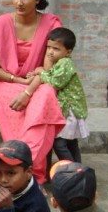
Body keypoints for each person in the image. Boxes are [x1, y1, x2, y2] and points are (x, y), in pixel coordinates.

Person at [0, 0, 65, 185]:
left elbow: (49, 69)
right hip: (8, 82)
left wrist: (29, 91)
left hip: (39, 82)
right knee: (17, 108)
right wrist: (20, 82)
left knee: (46, 95)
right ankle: (24, 166)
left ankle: (23, 165)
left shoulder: (51, 24)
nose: (19, 2)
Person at [26, 27, 89, 162]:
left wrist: (41, 72)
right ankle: (78, 168)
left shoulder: (66, 63)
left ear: (68, 52)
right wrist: (38, 72)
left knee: (59, 142)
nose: (50, 52)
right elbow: (51, 75)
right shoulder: (59, 63)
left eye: (56, 49)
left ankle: (70, 168)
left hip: (69, 110)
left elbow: (56, 82)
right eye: (49, 47)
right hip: (69, 109)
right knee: (71, 142)